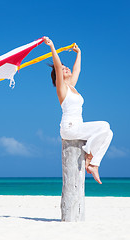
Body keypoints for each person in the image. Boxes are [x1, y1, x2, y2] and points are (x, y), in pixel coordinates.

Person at [43, 37, 113, 184]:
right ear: (58, 77)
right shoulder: (61, 89)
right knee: (105, 125)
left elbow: (77, 69)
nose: (66, 68)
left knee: (109, 132)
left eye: (66, 67)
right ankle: (90, 155)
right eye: (62, 69)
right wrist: (52, 47)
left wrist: (78, 53)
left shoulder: (72, 87)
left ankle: (93, 163)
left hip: (78, 126)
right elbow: (56, 66)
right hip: (69, 128)